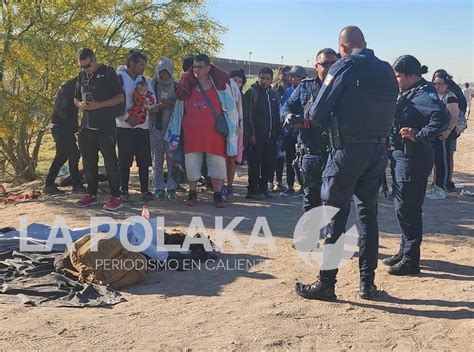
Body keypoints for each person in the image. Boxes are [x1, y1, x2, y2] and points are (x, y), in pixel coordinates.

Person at [294, 26, 398, 300]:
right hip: (377, 151)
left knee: (334, 218)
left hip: (346, 152)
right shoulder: (387, 69)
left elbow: (316, 113)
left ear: (342, 48)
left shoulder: (343, 67)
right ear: (364, 42)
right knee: (368, 219)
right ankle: (368, 284)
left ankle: (326, 283)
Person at [381, 55, 450, 276]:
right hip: (403, 157)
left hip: (414, 158)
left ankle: (411, 260)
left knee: (408, 208)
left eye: (399, 75)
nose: (396, 80)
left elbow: (442, 118)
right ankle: (405, 251)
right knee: (403, 206)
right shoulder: (412, 91)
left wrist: (419, 135)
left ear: (411, 75)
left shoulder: (423, 94)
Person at [165, 54, 238, 208]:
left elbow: (231, 110)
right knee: (191, 165)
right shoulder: (187, 86)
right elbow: (179, 111)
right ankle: (192, 194)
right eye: (194, 67)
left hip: (215, 136)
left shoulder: (221, 87)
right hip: (192, 136)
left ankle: (218, 195)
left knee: (217, 164)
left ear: (208, 68)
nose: (196, 70)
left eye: (200, 66)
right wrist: (174, 133)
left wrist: (234, 130)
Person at [281, 48, 338, 211]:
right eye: (325, 64)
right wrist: (289, 117)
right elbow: (286, 107)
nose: (329, 67)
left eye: (333, 64)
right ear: (316, 67)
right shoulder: (305, 87)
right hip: (311, 153)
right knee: (311, 201)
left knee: (334, 202)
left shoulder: (344, 88)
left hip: (336, 155)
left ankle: (331, 237)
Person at [74, 48, 124, 210]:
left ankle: (116, 195)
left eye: (87, 66)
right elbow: (75, 98)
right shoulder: (82, 76)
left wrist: (99, 105)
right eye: (82, 67)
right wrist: (80, 104)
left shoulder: (108, 72)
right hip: (87, 125)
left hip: (105, 125)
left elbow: (120, 97)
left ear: (94, 60)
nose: (85, 69)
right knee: (89, 162)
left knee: (110, 162)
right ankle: (91, 193)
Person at [116, 50, 155, 202]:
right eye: (140, 65)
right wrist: (126, 117)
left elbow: (152, 99)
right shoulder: (119, 78)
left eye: (144, 65)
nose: (143, 68)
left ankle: (145, 190)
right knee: (124, 160)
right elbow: (115, 101)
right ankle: (123, 190)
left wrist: (148, 107)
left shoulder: (144, 80)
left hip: (142, 126)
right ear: (131, 63)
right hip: (124, 126)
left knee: (144, 160)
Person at [244, 67, 281, 199]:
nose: (264, 81)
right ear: (258, 78)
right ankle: (252, 189)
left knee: (268, 163)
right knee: (254, 163)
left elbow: (276, 115)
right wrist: (251, 134)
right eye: (262, 78)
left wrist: (278, 133)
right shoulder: (252, 93)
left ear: (271, 80)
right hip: (256, 136)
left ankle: (263, 187)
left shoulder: (273, 94)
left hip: (270, 136)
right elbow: (248, 116)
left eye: (267, 79)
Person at [44, 77, 85, 195]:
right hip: (62, 128)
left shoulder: (65, 88)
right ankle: (76, 184)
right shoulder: (71, 90)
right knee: (74, 154)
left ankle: (49, 184)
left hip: (58, 127)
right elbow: (64, 112)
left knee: (62, 156)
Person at [425, 71, 459, 199]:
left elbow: (454, 117)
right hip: (435, 134)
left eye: (440, 83)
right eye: (435, 83)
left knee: (443, 161)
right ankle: (436, 185)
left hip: (445, 133)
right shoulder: (434, 96)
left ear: (446, 84)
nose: (437, 86)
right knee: (436, 160)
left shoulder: (450, 96)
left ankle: (442, 187)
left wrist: (448, 131)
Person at [149, 57, 178, 199]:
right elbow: (145, 105)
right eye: (161, 72)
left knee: (172, 159)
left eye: (166, 72)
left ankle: (172, 187)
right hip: (156, 127)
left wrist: (171, 102)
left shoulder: (176, 86)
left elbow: (181, 105)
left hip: (172, 129)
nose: (163, 75)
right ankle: (158, 187)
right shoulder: (151, 85)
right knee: (157, 159)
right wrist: (158, 106)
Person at [279, 66, 308, 196]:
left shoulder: (307, 90)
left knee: (302, 160)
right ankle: (290, 186)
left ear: (301, 78)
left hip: (302, 131)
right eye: (290, 76)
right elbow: (283, 108)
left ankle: (303, 186)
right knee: (291, 160)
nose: (291, 78)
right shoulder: (289, 91)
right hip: (289, 132)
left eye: (294, 76)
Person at [222, 68, 246, 199]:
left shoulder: (244, 98)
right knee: (221, 158)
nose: (236, 83)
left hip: (236, 132)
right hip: (223, 129)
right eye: (234, 80)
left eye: (240, 81)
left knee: (231, 159)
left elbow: (245, 119)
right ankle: (220, 185)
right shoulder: (222, 93)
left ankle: (229, 185)